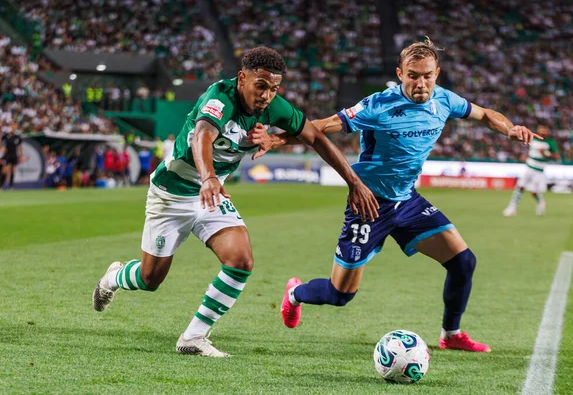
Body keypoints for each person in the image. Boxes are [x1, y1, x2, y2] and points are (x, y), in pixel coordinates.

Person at [249, 38, 541, 353]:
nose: (421, 82)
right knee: (340, 294)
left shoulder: (444, 100)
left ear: (437, 73)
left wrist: (510, 128)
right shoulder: (377, 105)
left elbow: (484, 114)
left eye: (427, 75)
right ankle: (295, 294)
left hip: (407, 201)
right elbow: (320, 127)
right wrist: (276, 141)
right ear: (400, 73)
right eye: (413, 75)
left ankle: (451, 333)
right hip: (368, 204)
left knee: (463, 262)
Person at [92, 47, 379, 357]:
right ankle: (113, 278)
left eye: (274, 88)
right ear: (242, 78)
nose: (268, 95)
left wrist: (353, 181)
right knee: (150, 279)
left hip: (212, 195)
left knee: (241, 260)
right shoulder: (221, 97)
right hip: (173, 193)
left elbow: (317, 138)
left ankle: (193, 338)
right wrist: (208, 177)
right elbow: (202, 135)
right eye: (261, 85)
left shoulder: (275, 108)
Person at [503, 125, 559, 217]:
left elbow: (556, 157)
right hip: (529, 167)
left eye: (545, 130)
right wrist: (526, 156)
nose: (543, 132)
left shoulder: (550, 142)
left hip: (539, 170)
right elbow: (531, 150)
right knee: (520, 186)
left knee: (533, 191)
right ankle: (512, 208)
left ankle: (540, 202)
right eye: (541, 129)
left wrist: (546, 153)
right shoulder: (533, 138)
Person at [1, 123, 23, 190]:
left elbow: (20, 147)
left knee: (13, 170)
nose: (13, 128)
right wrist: (2, 148)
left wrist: (21, 156)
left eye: (15, 127)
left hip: (14, 155)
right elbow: (1, 140)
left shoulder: (17, 137)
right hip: (7, 155)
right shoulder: (7, 135)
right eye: (12, 126)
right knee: (4, 170)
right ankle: (1, 185)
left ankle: (11, 186)